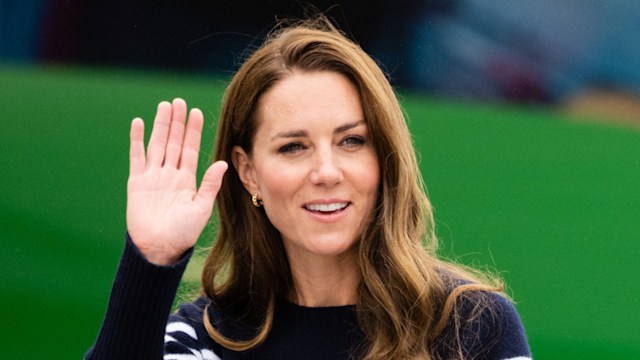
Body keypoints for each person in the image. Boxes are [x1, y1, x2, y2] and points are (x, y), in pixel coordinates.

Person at [86, 18, 531, 360]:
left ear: (385, 159)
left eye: (351, 141)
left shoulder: (470, 327)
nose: (326, 171)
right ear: (248, 172)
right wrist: (153, 260)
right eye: (293, 147)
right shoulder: (205, 338)